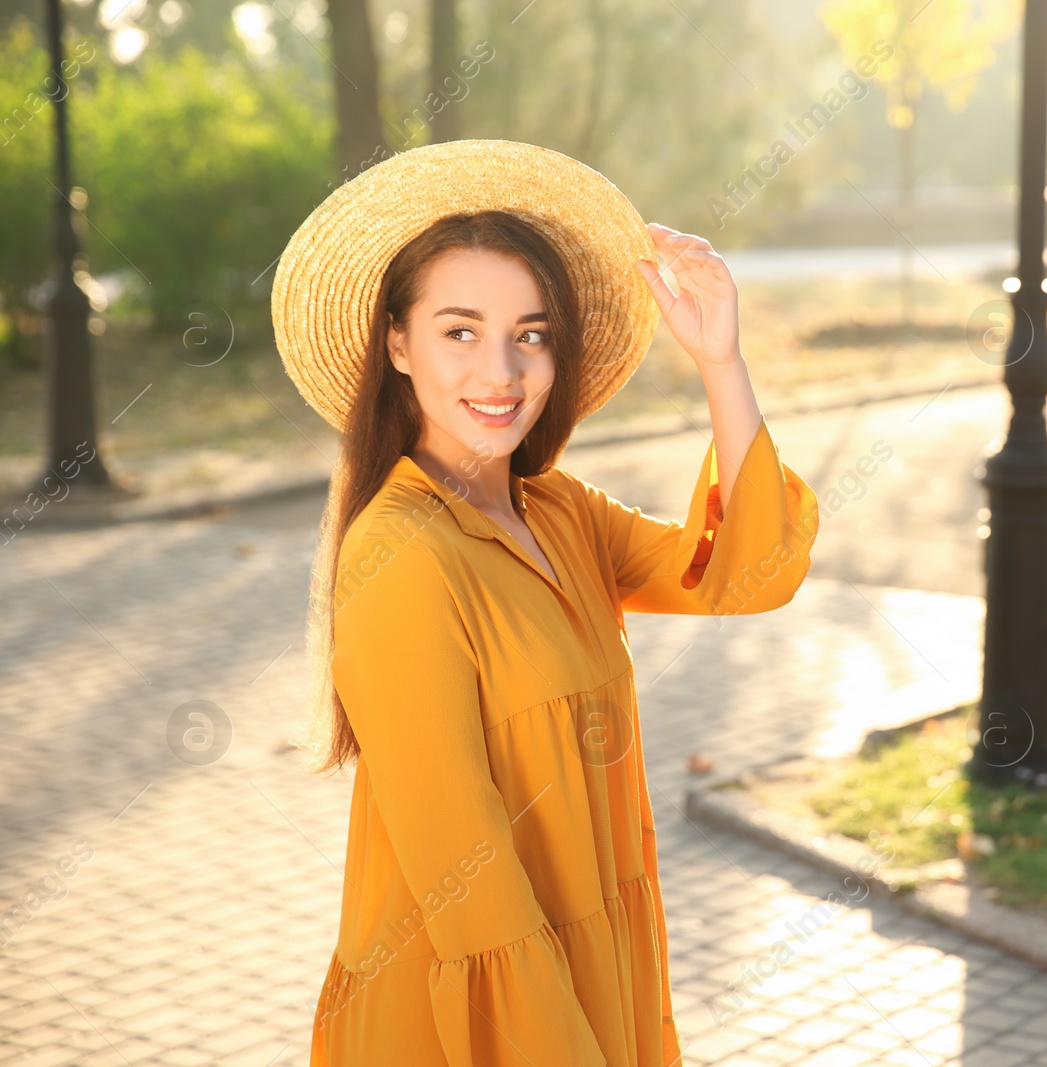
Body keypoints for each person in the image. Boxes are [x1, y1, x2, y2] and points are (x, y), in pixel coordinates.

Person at [270, 140, 819, 1065]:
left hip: (594, 974)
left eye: (531, 333)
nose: (503, 371)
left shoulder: (559, 510)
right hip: (483, 1018)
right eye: (459, 330)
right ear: (396, 343)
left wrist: (722, 363)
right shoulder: (402, 555)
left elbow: (747, 574)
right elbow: (465, 881)